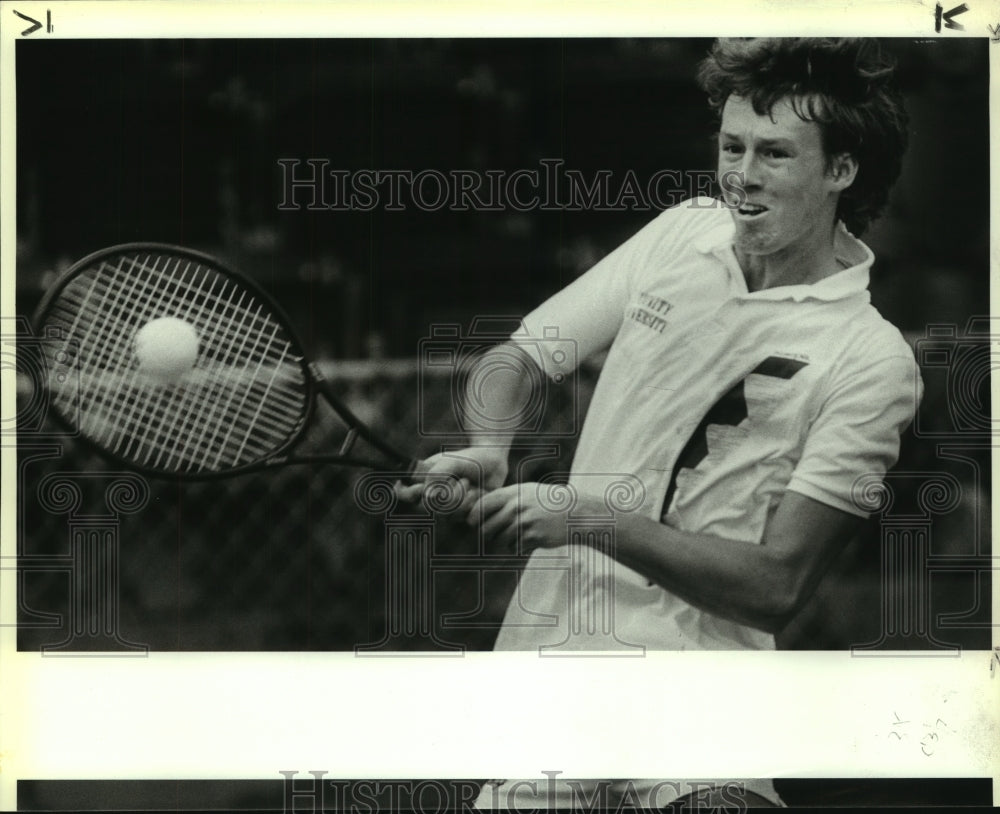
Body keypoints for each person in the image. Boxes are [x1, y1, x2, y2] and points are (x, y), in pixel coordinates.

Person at [402, 37, 920, 809]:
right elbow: (515, 361)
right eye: (732, 146)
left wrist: (590, 521)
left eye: (775, 154)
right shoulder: (682, 233)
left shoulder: (871, 360)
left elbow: (778, 586)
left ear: (841, 171)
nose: (741, 176)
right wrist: (489, 447)